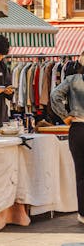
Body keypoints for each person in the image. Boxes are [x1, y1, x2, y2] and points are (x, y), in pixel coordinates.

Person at [50, 53, 84, 223]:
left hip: (78, 128)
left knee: (81, 173)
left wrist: (65, 116)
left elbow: (54, 96)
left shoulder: (72, 80)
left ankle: (83, 213)